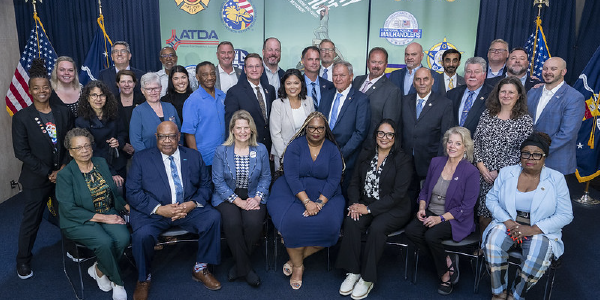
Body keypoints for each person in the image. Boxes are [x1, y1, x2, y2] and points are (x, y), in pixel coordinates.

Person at [126, 121, 222, 300]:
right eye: (163, 137)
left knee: (213, 217)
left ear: (179, 137)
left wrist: (192, 203)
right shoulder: (141, 158)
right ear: (157, 137)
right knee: (142, 235)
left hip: (187, 208)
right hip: (155, 212)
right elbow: (132, 192)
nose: (167, 141)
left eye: (172, 136)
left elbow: (206, 185)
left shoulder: (193, 156)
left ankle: (200, 268)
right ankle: (143, 278)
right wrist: (159, 209)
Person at [483, 132, 573, 300]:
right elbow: (491, 199)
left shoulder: (556, 178)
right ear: (521, 155)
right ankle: (499, 291)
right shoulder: (507, 173)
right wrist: (509, 223)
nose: (530, 158)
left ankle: (516, 294)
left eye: (537, 154)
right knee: (493, 244)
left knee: (534, 257)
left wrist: (531, 229)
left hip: (539, 227)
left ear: (544, 157)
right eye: (526, 153)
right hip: (508, 221)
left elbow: (566, 214)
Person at [335, 119, 413, 299]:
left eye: (389, 134)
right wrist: (355, 204)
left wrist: (368, 209)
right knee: (352, 220)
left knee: (378, 228)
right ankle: (353, 271)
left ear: (395, 137)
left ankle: (367, 278)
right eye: (381, 133)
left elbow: (398, 195)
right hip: (365, 203)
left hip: (394, 208)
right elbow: (354, 182)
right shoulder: (366, 153)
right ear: (375, 135)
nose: (384, 138)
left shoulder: (403, 159)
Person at [267, 112, 345, 290]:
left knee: (330, 226)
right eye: (312, 127)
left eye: (320, 128)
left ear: (326, 129)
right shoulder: (296, 146)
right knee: (292, 222)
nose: (316, 131)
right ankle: (298, 268)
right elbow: (292, 176)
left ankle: (295, 260)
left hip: (326, 194)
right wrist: (307, 202)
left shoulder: (332, 149)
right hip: (293, 192)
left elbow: (334, 179)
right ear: (305, 128)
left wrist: (319, 203)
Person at [12, 58, 73, 279]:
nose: (41, 91)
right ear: (29, 90)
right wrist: (48, 172)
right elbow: (22, 152)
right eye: (36, 88)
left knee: (67, 215)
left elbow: (70, 141)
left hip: (63, 175)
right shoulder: (21, 117)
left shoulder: (63, 112)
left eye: (45, 87)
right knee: (32, 221)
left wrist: (64, 167)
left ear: (51, 88)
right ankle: (23, 261)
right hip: (36, 179)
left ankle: (73, 249)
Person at [405, 126, 480, 295]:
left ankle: (445, 275)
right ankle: (446, 258)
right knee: (411, 231)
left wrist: (441, 219)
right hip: (431, 211)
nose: (452, 146)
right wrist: (422, 207)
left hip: (455, 218)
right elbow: (425, 191)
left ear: (465, 147)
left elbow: (466, 207)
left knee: (431, 236)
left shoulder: (471, 172)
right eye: (450, 142)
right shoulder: (436, 162)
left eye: (458, 143)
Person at [55, 128, 129, 300]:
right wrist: (106, 218)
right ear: (71, 152)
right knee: (104, 242)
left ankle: (98, 269)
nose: (84, 150)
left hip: (106, 211)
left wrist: (126, 206)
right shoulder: (65, 175)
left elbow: (113, 193)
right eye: (79, 148)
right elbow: (69, 209)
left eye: (87, 145)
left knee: (124, 238)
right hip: (77, 220)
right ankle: (118, 283)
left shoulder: (101, 163)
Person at [212, 110, 271, 287]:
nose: (243, 131)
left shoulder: (260, 149)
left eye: (246, 127)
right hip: (227, 195)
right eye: (239, 128)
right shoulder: (221, 151)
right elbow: (217, 180)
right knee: (232, 223)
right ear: (232, 129)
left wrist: (258, 198)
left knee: (253, 224)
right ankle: (246, 268)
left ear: (252, 129)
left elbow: (266, 177)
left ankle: (239, 266)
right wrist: (237, 201)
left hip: (253, 194)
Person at [474, 77, 533, 236]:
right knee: (482, 217)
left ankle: (497, 249)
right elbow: (477, 140)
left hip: (507, 177)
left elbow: (524, 153)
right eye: (503, 91)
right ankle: (483, 246)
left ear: (519, 95)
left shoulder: (524, 121)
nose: (506, 95)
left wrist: (499, 172)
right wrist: (480, 165)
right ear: (497, 93)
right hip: (482, 175)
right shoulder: (487, 114)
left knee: (501, 217)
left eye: (511, 92)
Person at [526, 57, 585, 175]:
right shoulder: (532, 92)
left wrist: (537, 151)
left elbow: (567, 133)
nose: (548, 72)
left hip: (556, 164)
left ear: (563, 72)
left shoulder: (574, 98)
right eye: (545, 68)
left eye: (553, 69)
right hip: (528, 161)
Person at [320, 60, 370, 192]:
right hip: (323, 156)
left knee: (342, 195)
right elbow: (319, 124)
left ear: (351, 76)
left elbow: (360, 132)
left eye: (342, 75)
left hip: (347, 159)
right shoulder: (326, 95)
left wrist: (340, 155)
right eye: (335, 75)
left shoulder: (361, 99)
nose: (338, 79)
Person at [400, 68, 454, 180]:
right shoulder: (404, 101)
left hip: (430, 163)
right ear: (413, 83)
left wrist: (439, 163)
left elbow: (446, 136)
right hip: (405, 162)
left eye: (425, 79)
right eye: (418, 79)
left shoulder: (444, 104)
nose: (422, 83)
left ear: (432, 81)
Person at [75, 81, 128, 188]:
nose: (98, 99)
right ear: (87, 98)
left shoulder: (115, 114)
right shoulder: (81, 121)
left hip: (118, 162)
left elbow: (123, 133)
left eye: (102, 95)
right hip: (97, 166)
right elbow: (91, 150)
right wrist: (111, 172)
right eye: (94, 95)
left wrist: (118, 142)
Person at [225, 53, 276, 151]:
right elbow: (230, 124)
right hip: (245, 147)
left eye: (257, 66)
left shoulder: (270, 90)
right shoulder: (234, 92)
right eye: (250, 66)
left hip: (268, 149)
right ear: (245, 70)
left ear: (262, 69)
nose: (254, 70)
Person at [182, 61, 226, 167]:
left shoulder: (222, 96)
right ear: (197, 77)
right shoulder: (192, 101)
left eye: (212, 73)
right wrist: (197, 159)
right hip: (205, 159)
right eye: (205, 75)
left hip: (225, 155)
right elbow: (189, 133)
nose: (210, 77)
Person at [270, 69, 315, 170]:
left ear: (301, 84)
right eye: (288, 83)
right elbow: (275, 134)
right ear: (284, 85)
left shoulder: (309, 101)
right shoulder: (277, 104)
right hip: (284, 155)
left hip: (306, 154)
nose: (292, 87)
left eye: (296, 83)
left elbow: (312, 128)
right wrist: (287, 157)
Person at [353, 47, 402, 135]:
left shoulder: (392, 90)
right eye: (373, 62)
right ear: (368, 63)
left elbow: (389, 125)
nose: (376, 66)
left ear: (386, 64)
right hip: (350, 138)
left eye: (380, 63)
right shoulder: (357, 80)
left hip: (370, 143)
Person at [130, 72, 181, 152]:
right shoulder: (138, 111)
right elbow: (135, 141)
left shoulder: (170, 107)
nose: (153, 92)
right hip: (149, 158)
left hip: (173, 155)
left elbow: (179, 133)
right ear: (142, 91)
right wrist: (149, 158)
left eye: (156, 88)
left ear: (160, 88)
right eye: (149, 89)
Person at [446, 57, 494, 135]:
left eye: (476, 72)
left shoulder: (493, 95)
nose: (472, 75)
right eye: (469, 71)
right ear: (465, 74)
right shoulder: (452, 94)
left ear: (484, 75)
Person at [115, 70, 144, 157]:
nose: (126, 85)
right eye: (123, 82)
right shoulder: (112, 103)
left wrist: (137, 145)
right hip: (120, 151)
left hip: (142, 148)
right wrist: (122, 145)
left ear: (134, 83)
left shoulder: (143, 100)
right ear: (118, 84)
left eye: (130, 81)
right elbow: (110, 127)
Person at [302, 45, 335, 112]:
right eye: (310, 59)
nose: (314, 62)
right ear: (303, 61)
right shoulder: (296, 85)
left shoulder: (330, 86)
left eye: (317, 59)